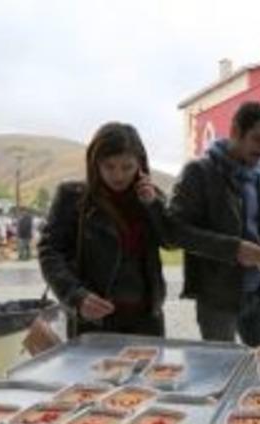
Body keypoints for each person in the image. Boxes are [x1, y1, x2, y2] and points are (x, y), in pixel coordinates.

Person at [38, 122, 175, 338]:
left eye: (127, 167)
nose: (118, 176)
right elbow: (50, 252)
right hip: (93, 320)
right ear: (95, 163)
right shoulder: (72, 197)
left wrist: (153, 206)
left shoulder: (152, 197)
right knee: (96, 373)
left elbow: (170, 242)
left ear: (140, 165)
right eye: (109, 166)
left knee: (147, 372)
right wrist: (75, 296)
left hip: (146, 319)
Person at [169, 101, 260, 347]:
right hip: (217, 299)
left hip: (259, 294)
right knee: (221, 371)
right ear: (234, 131)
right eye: (258, 140)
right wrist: (234, 249)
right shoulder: (198, 172)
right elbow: (175, 232)